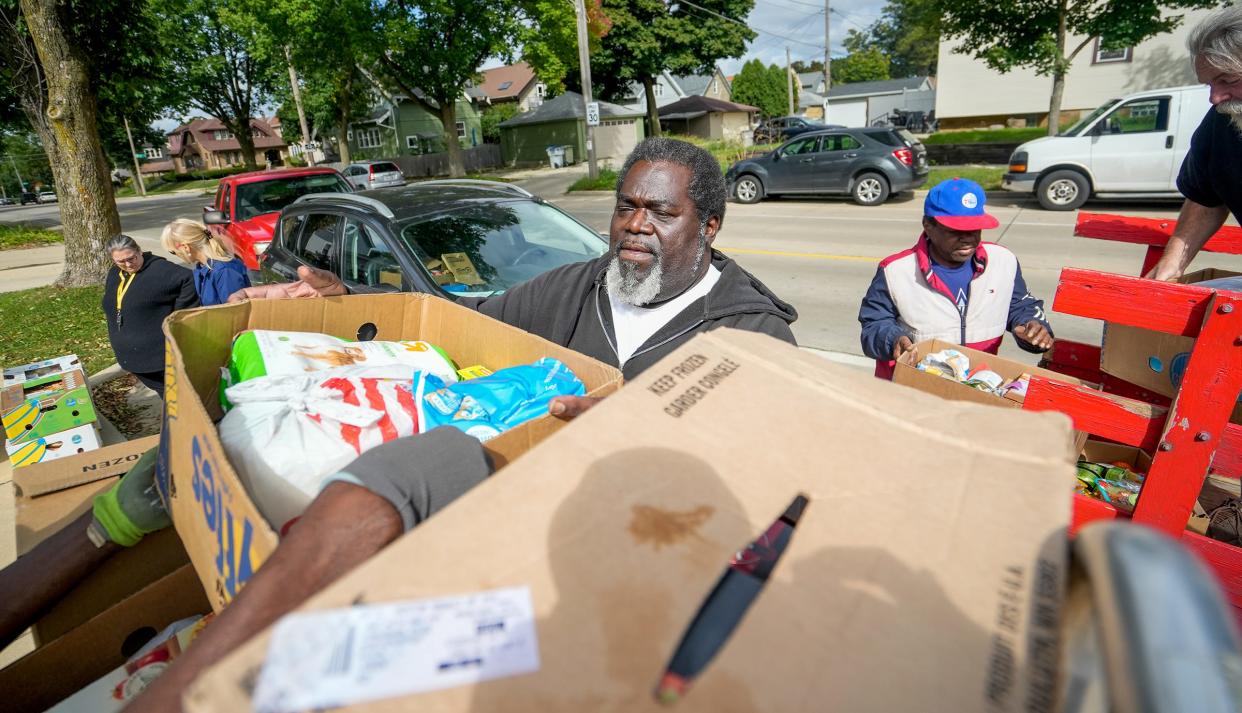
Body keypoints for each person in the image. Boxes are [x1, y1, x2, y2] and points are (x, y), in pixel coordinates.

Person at [231, 137, 799, 383]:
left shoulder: (754, 331)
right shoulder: (578, 288)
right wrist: (350, 301)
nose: (635, 225)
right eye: (626, 206)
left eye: (661, 213)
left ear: (710, 226)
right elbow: (464, 319)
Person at [858, 178, 1054, 379]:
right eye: (956, 230)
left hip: (975, 385)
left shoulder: (1003, 261)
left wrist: (1032, 328)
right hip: (913, 389)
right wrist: (893, 340)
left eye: (975, 228)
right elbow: (874, 324)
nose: (968, 237)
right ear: (928, 225)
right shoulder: (896, 270)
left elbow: (1020, 306)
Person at [1147, 4, 1242, 282]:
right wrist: (1170, 267)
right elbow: (1205, 197)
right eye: (1209, 85)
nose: (1215, 98)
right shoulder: (1223, 120)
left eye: (1227, 80)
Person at [102, 234, 199, 398]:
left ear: (139, 251)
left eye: (131, 258)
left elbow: (188, 280)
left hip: (158, 357)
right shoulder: (115, 274)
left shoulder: (164, 271)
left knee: (176, 396)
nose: (128, 264)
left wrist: (176, 317)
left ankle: (188, 421)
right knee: (168, 395)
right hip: (131, 357)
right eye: (120, 262)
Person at [160, 218, 251, 306]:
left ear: (186, 247)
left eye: (173, 252)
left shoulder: (224, 271)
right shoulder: (202, 268)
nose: (175, 254)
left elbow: (236, 312)